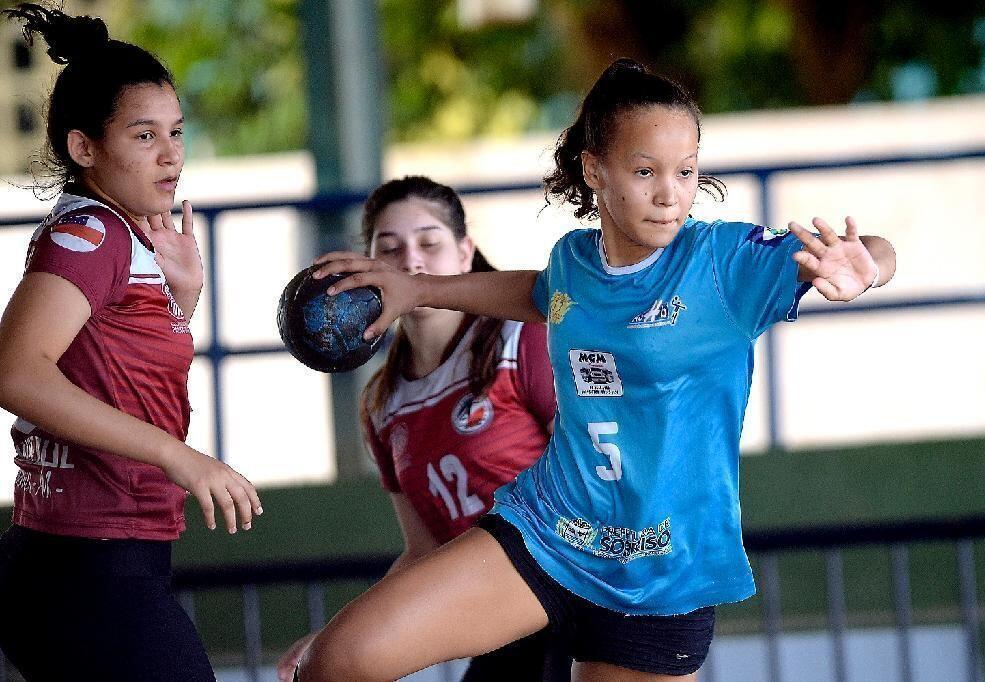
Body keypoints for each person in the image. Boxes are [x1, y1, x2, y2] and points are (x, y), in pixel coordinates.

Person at [298, 58, 897, 682]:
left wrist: (867, 265)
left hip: (661, 576)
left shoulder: (726, 262)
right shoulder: (574, 262)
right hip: (550, 534)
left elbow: (874, 251)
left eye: (686, 171)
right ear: (595, 170)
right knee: (338, 663)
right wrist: (417, 289)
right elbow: (537, 294)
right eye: (645, 172)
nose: (670, 193)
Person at [0, 5, 261, 680]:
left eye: (176, 132)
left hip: (106, 557)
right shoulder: (92, 236)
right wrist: (183, 458)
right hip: (85, 564)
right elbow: (16, 374)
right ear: (84, 147)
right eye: (144, 135)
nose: (171, 153)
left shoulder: (132, 237)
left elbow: (125, 375)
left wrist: (184, 298)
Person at [276, 176, 570, 681]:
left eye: (429, 243)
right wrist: (339, 636)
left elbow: (596, 475)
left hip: (564, 591)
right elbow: (423, 550)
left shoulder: (523, 339)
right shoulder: (383, 404)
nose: (411, 260)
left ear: (464, 252)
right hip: (492, 611)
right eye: (389, 249)